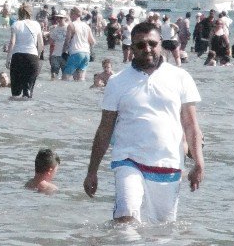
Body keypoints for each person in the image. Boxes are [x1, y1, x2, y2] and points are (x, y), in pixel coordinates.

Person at [83, 21, 204, 224]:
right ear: (131, 48)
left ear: (161, 44)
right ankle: (120, 245)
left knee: (161, 230)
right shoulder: (117, 82)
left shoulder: (180, 77)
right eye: (140, 45)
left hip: (169, 163)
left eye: (152, 43)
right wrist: (92, 171)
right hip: (128, 160)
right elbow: (105, 129)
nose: (147, 49)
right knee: (126, 217)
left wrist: (199, 163)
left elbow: (191, 126)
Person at [7, 3, 44, 98]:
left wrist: (8, 59)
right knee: (28, 92)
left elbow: (12, 43)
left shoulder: (16, 24)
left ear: (19, 13)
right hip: (32, 57)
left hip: (17, 57)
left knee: (15, 92)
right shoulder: (37, 25)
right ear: (30, 13)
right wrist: (38, 57)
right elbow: (41, 45)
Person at [62, 7, 95, 81]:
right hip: (86, 54)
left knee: (65, 77)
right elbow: (92, 41)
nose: (70, 15)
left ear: (74, 14)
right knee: (80, 78)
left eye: (71, 14)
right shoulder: (86, 26)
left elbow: (67, 41)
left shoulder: (71, 25)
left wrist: (63, 52)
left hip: (76, 53)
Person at [48, 10, 69, 79]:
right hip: (55, 55)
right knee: (53, 76)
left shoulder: (69, 27)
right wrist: (50, 55)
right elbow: (51, 42)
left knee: (65, 78)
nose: (59, 19)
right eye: (58, 17)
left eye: (61, 18)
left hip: (65, 55)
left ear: (65, 18)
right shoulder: (54, 28)